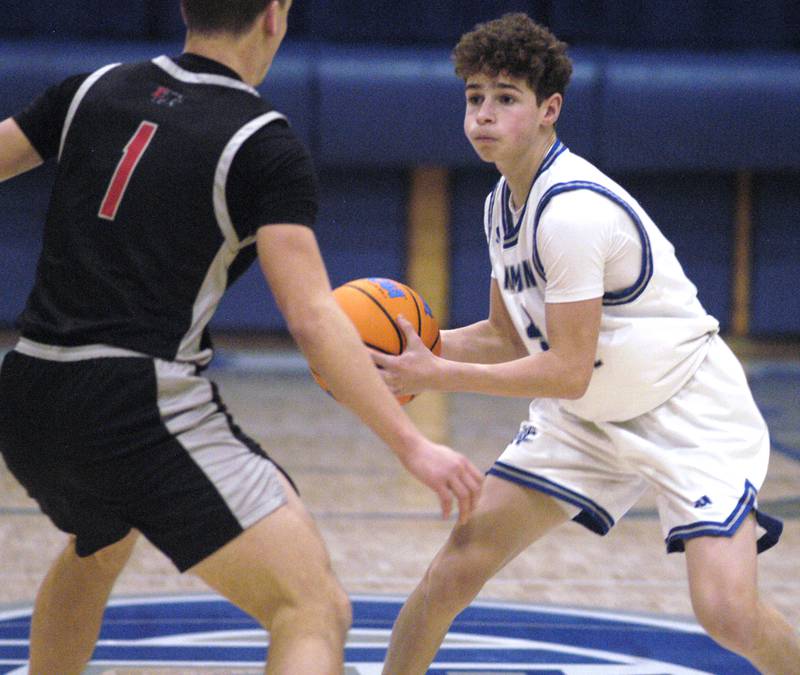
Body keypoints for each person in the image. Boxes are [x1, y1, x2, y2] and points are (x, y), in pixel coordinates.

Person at [0, 1, 484, 673]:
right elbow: (313, 317)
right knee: (312, 607)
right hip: (135, 400)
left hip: (27, 389)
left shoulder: (92, 87)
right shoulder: (261, 142)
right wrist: (413, 444)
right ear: (275, 15)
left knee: (99, 540)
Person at [375, 13, 800, 675]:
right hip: (588, 415)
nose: (484, 114)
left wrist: (436, 374)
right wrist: (404, 350)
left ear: (549, 110)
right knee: (453, 570)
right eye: (474, 98)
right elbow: (503, 337)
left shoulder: (571, 210)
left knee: (728, 612)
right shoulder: (499, 204)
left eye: (505, 99)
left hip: (684, 409)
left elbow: (566, 369)